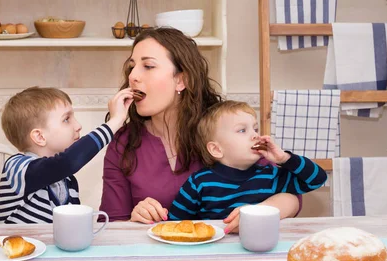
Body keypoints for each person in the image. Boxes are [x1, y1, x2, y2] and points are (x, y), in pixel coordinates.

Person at [99, 27, 301, 224]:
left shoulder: (222, 125)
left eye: (148, 66)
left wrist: (259, 212)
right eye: (131, 67)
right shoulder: (124, 142)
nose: (133, 76)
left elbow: (291, 197)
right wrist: (135, 218)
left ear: (181, 80)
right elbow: (113, 222)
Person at [168, 101, 327, 233]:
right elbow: (174, 224)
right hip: (214, 254)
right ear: (216, 149)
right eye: (242, 130)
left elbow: (317, 179)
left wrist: (284, 158)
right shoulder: (199, 182)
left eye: (255, 129)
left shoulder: (271, 175)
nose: (255, 135)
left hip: (262, 249)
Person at [0, 86, 133, 224]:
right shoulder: (17, 167)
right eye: (66, 119)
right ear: (39, 136)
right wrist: (115, 121)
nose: (78, 125)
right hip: (16, 244)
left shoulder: (68, 180)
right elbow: (67, 162)